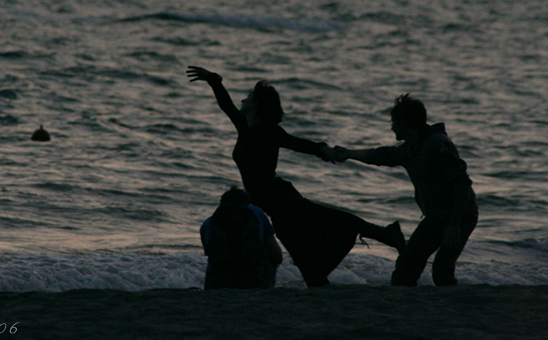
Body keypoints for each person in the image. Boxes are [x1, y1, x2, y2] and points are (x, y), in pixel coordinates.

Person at [187, 66, 405, 287]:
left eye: (248, 97)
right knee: (304, 254)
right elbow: (226, 106)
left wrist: (323, 150)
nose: (243, 100)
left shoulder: (268, 131)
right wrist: (213, 81)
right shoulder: (246, 128)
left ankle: (386, 234)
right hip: (274, 205)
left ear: (256, 104)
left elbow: (297, 143)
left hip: (282, 200)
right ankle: (324, 279)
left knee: (331, 222)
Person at [334, 94, 478, 287]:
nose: (391, 127)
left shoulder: (437, 144)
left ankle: (454, 304)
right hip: (435, 217)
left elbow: (462, 183)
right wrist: (348, 154)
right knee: (405, 267)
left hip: (460, 217)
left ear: (403, 123)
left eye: (393, 122)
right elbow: (380, 155)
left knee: (442, 270)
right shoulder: (409, 149)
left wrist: (454, 226)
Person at [200, 186, 282, 290]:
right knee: (268, 251)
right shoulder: (256, 212)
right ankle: (267, 290)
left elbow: (211, 252)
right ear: (247, 203)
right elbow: (275, 252)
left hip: (217, 278)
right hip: (251, 275)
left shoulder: (208, 223)